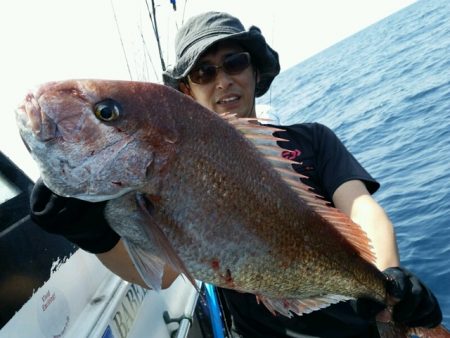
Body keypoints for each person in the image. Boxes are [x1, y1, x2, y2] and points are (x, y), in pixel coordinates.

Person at [30, 11, 442, 338]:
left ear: (255, 71)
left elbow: (361, 208)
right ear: (187, 90)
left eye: (235, 62)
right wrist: (94, 237)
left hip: (356, 326)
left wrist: (389, 283)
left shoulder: (312, 139)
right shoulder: (154, 173)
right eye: (203, 72)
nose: (223, 80)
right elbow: (163, 271)